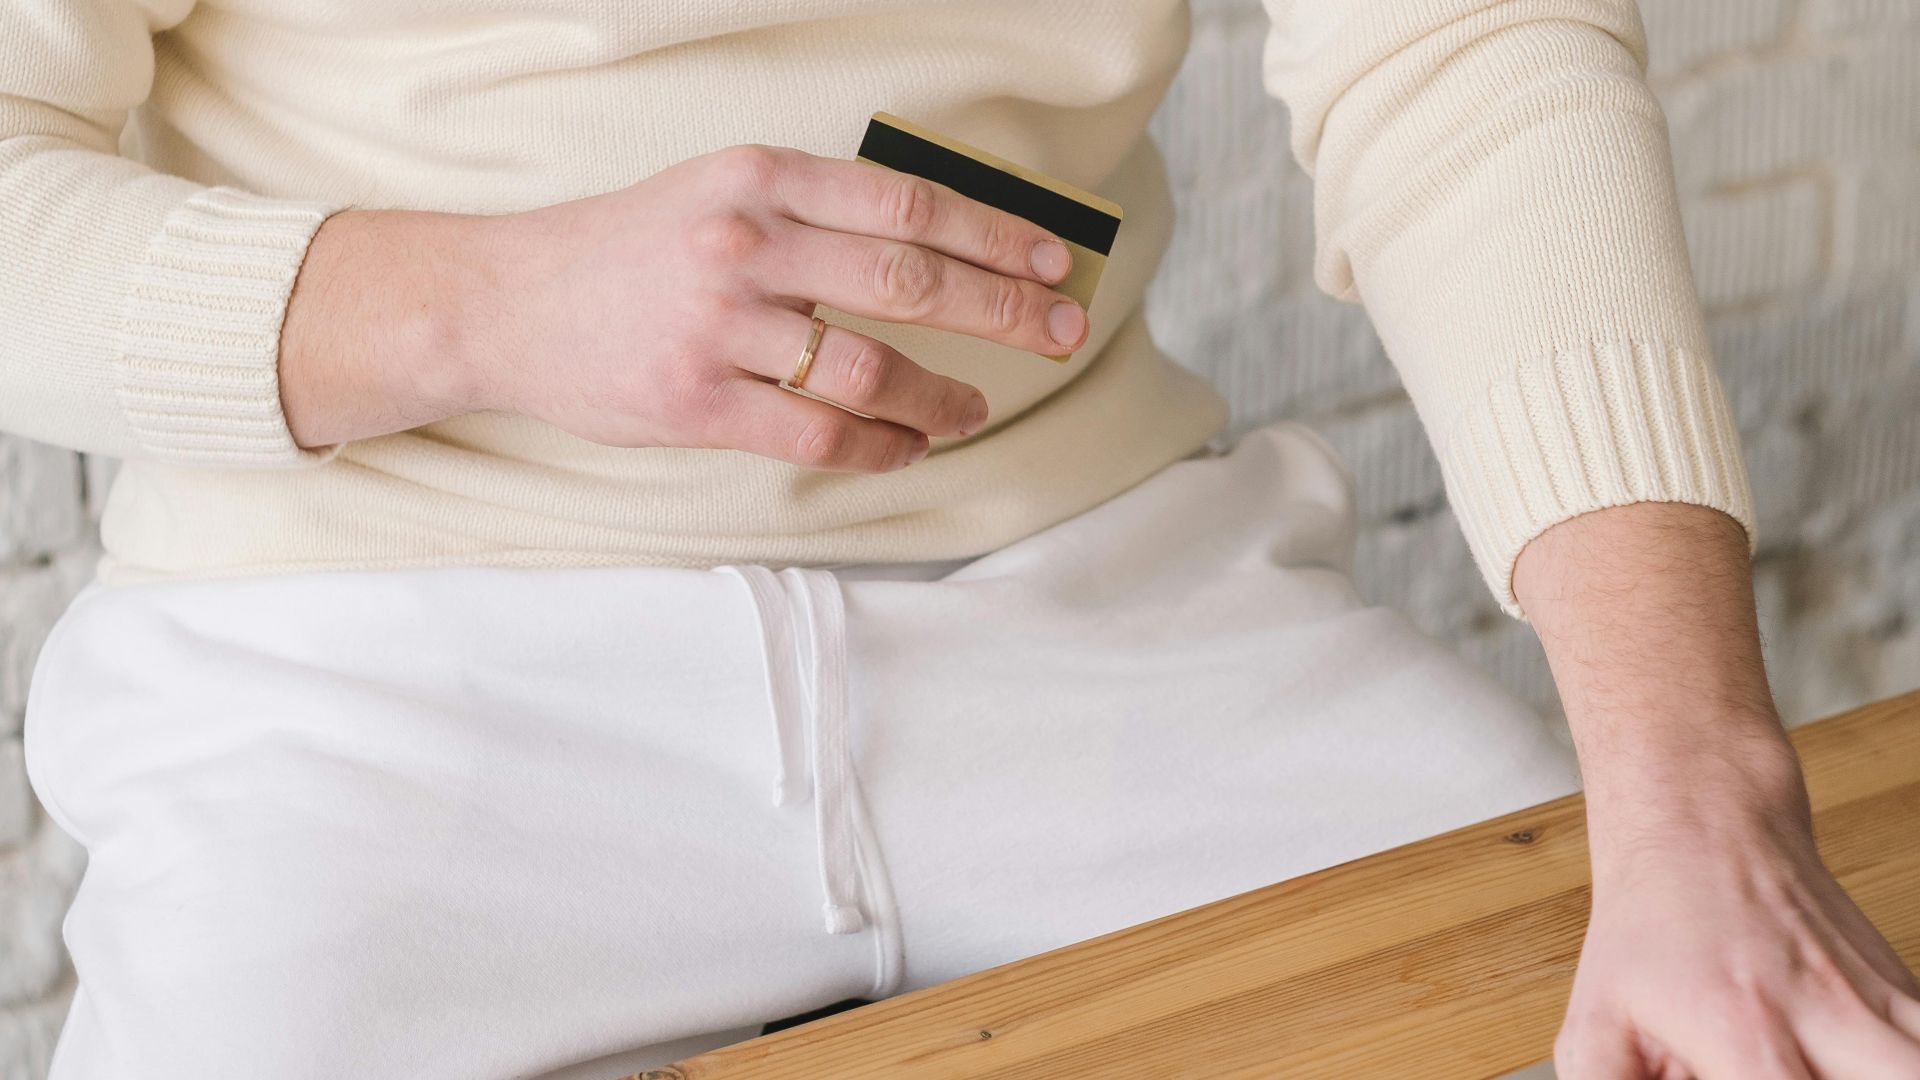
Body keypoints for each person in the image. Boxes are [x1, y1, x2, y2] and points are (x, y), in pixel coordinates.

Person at [3, 0, 1916, 1077]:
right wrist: (482, 301)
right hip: (369, 664)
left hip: (1114, 602)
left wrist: (1698, 790)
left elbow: (1463, 56)